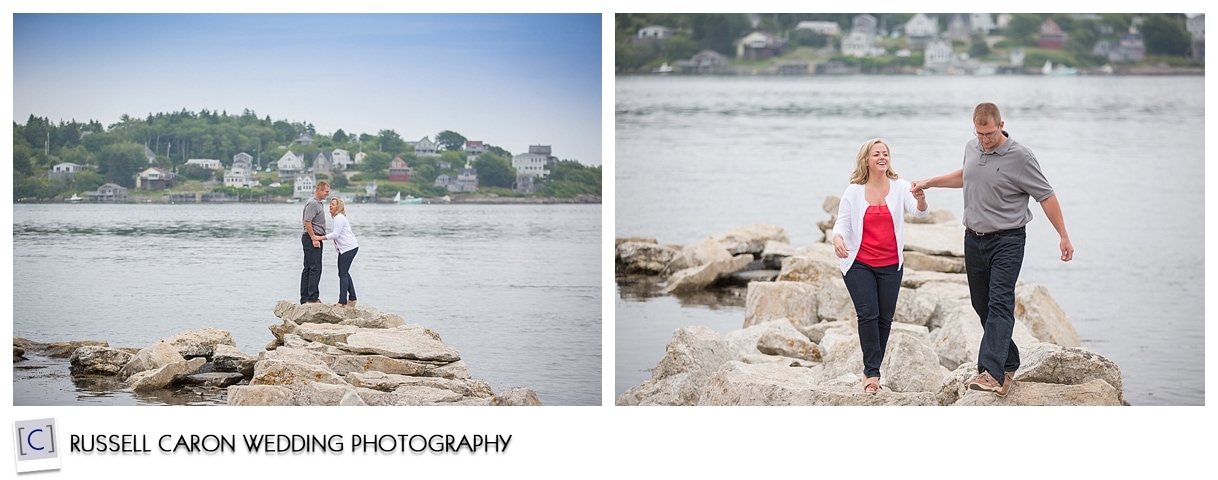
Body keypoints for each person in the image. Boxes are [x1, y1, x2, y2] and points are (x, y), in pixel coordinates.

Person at [910, 102, 1073, 398]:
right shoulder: (972, 148)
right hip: (973, 239)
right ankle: (1009, 361)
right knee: (981, 305)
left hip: (1007, 241)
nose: (984, 140)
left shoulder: (1021, 157)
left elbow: (1046, 196)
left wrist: (1063, 235)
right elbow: (966, 176)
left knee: (1000, 304)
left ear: (1001, 125)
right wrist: (930, 182)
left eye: (989, 133)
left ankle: (992, 373)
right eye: (979, 133)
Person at [831, 138, 929, 394]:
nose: (882, 157)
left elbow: (920, 213)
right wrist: (838, 238)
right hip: (859, 263)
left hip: (891, 265)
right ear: (867, 160)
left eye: (885, 153)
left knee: (885, 319)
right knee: (868, 314)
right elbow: (841, 223)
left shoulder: (900, 186)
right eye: (876, 154)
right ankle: (872, 374)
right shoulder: (854, 191)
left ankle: (871, 369)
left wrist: (920, 200)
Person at [315, 198, 359, 307]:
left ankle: (342, 301)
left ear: (338, 207)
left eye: (333, 204)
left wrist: (319, 238)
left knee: (343, 274)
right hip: (345, 249)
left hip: (348, 248)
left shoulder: (339, 217)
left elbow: (335, 234)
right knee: (344, 273)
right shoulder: (338, 218)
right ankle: (352, 298)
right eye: (330, 204)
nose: (330, 206)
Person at [300, 180, 330, 304]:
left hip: (314, 237)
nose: (328, 194)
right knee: (315, 268)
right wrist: (314, 238)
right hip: (312, 238)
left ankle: (305, 298)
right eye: (326, 191)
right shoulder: (313, 203)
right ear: (319, 190)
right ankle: (312, 297)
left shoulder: (318, 203)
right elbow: (307, 221)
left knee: (308, 268)